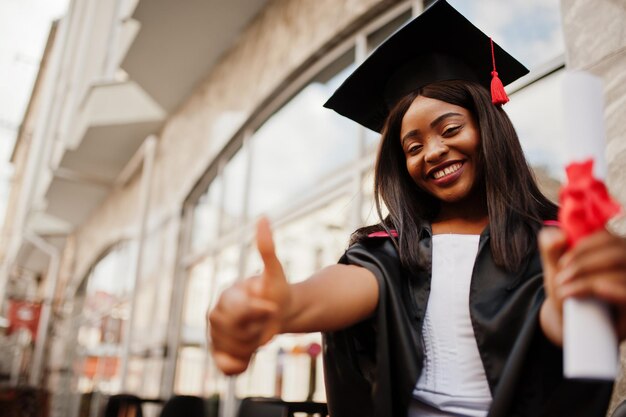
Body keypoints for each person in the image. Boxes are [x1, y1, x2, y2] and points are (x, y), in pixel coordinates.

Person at [207, 1, 626, 416]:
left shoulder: (549, 237)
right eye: (413, 146)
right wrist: (286, 307)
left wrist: (586, 306)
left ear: (488, 126)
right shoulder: (391, 247)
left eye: (450, 129)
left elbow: (560, 327)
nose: (434, 151)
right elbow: (346, 287)